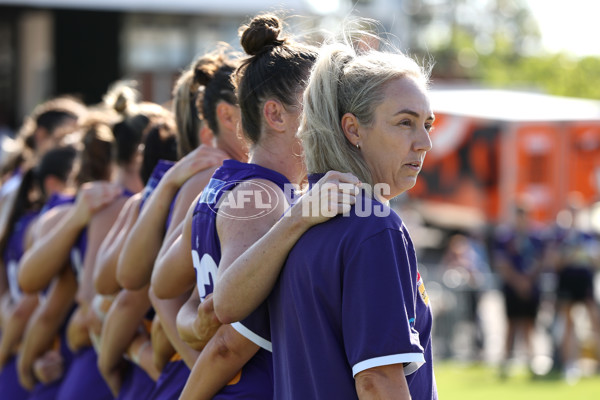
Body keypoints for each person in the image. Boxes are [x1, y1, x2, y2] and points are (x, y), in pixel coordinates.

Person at [214, 28, 437, 399]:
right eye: (405, 122)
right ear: (353, 129)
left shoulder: (301, 222)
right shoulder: (373, 226)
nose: (425, 142)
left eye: (427, 124)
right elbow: (377, 381)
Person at [547, 194, 600, 381]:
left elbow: (597, 261)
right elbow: (553, 261)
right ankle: (570, 364)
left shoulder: (589, 234)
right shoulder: (560, 235)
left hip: (585, 281)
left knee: (595, 321)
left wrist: (588, 256)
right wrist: (569, 256)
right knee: (568, 323)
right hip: (567, 281)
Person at [494, 203, 545, 378]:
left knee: (530, 325)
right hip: (512, 287)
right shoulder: (505, 237)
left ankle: (532, 362)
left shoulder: (536, 236)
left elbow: (540, 260)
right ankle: (506, 363)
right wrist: (518, 281)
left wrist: (528, 281)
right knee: (511, 325)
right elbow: (502, 263)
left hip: (531, 287)